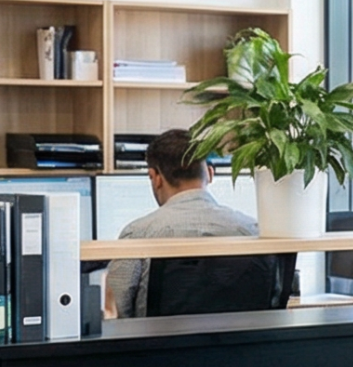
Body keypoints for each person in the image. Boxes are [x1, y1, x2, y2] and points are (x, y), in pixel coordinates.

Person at [105, 129, 257, 319]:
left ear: (156, 177)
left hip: (159, 347)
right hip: (240, 347)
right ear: (210, 174)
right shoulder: (252, 230)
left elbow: (117, 314)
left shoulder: (137, 235)